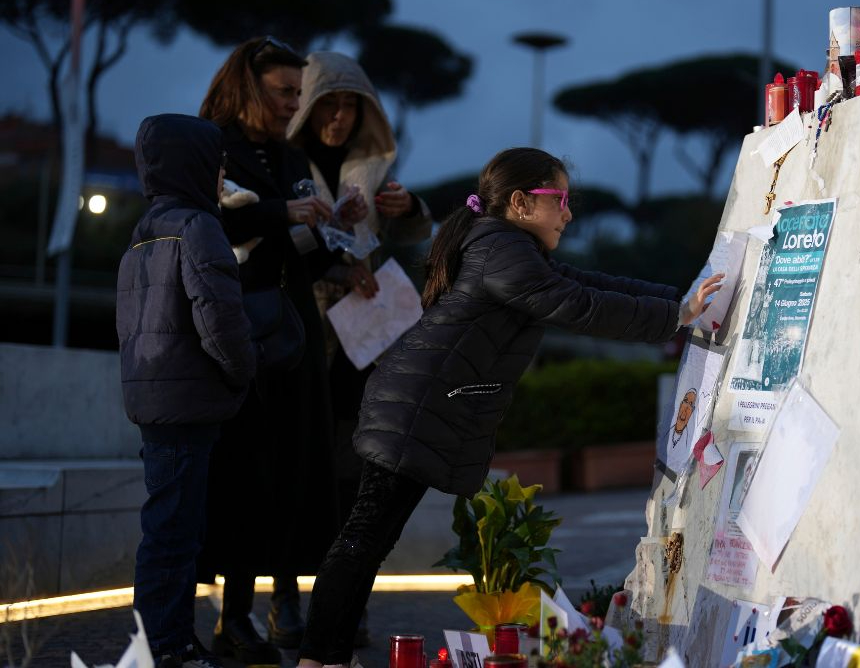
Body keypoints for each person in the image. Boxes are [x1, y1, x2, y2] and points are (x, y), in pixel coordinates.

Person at [295, 147, 723, 667]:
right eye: (559, 199)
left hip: (415, 404)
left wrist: (679, 300)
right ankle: (319, 657)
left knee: (369, 539)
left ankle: (326, 656)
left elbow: (589, 284)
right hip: (413, 408)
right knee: (363, 539)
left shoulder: (510, 249)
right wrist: (677, 314)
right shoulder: (503, 252)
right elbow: (578, 306)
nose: (568, 212)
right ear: (520, 203)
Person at [196, 36, 353, 664]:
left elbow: (304, 250)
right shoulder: (211, 145)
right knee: (243, 474)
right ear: (248, 85)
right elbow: (205, 221)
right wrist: (285, 211)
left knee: (297, 470)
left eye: (297, 91)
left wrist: (334, 228)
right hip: (239, 330)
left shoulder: (289, 155)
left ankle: (284, 604)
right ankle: (234, 618)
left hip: (293, 332)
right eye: (284, 91)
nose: (295, 102)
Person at [280, 50, 434, 648]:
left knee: (353, 476)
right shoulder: (284, 163)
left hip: (361, 342)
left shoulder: (368, 168)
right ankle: (287, 601)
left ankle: (342, 604)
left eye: (352, 105)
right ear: (308, 105)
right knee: (297, 474)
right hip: (299, 333)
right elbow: (272, 240)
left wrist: (411, 207)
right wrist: (335, 270)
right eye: (329, 103)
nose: (340, 117)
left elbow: (417, 226)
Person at [117, 113, 256, 668]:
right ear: (194, 164)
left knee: (166, 531)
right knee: (174, 535)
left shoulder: (145, 227)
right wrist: (246, 367)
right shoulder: (199, 226)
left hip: (153, 397)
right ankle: (164, 646)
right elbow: (220, 319)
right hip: (188, 400)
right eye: (217, 162)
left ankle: (162, 641)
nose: (222, 173)